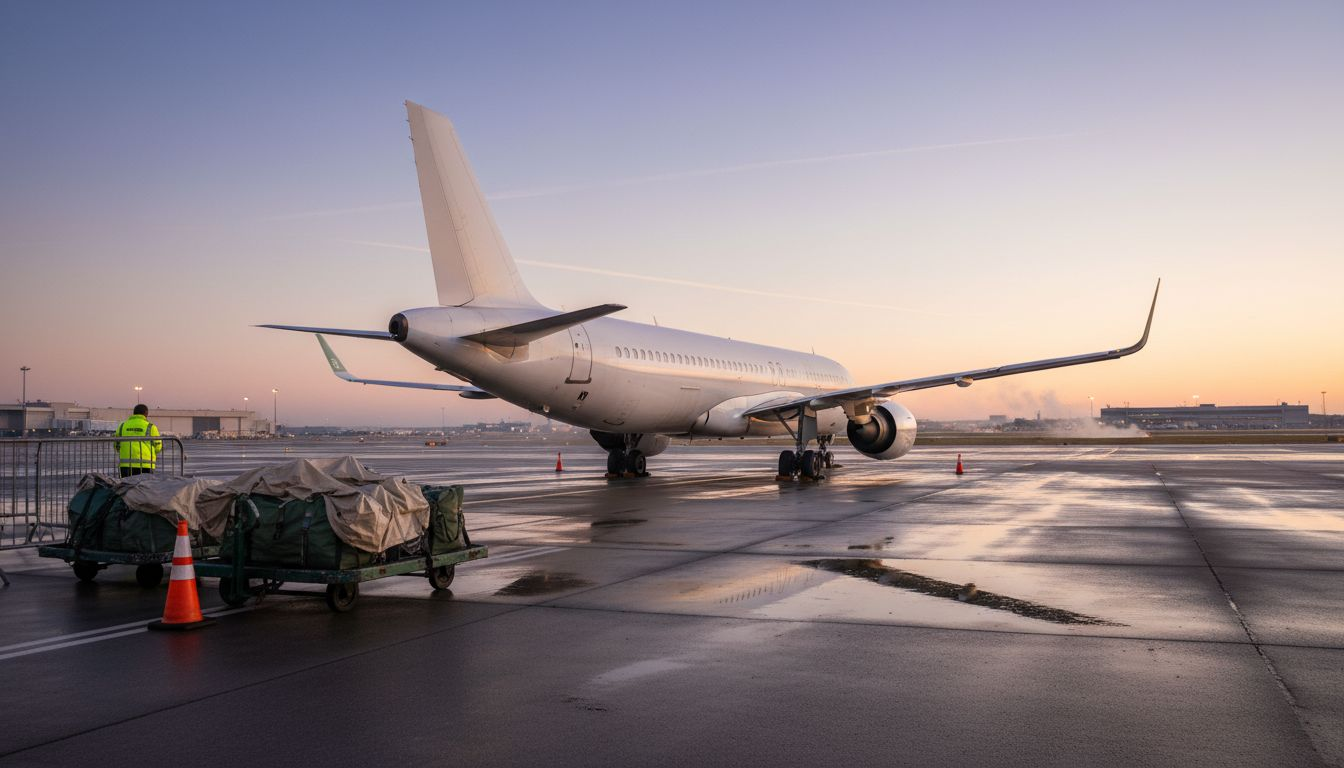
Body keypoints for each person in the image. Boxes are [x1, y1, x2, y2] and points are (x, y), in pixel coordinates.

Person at [114, 404, 162, 477]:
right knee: (144, 487)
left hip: (125, 465)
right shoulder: (151, 427)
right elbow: (158, 447)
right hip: (146, 465)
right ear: (146, 413)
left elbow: (116, 445)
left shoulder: (122, 426)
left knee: (127, 487)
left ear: (134, 413)